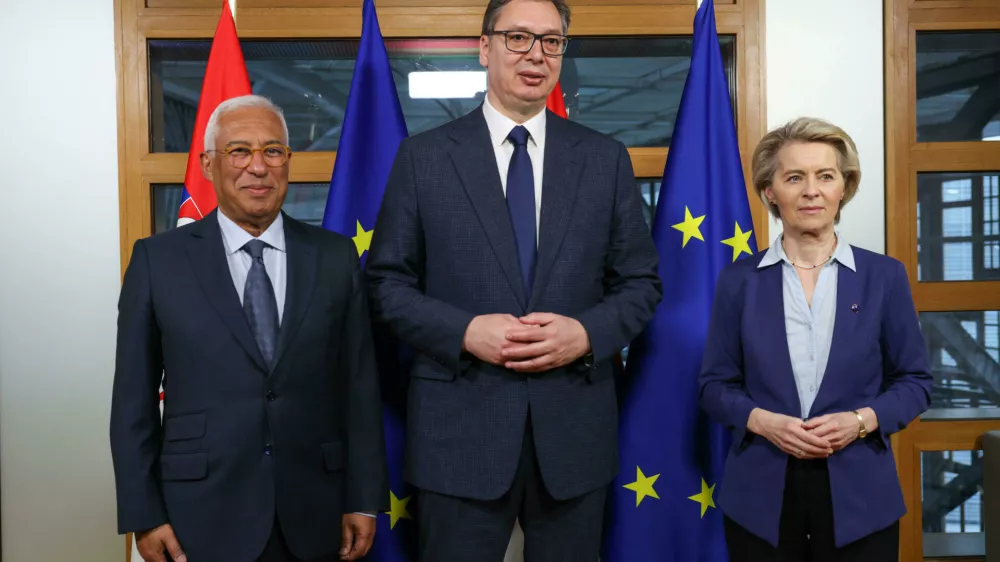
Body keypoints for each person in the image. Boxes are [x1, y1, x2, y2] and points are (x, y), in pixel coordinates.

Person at [364, 0, 662, 559]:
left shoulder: (604, 160)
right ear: (484, 48)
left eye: (551, 42)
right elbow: (385, 285)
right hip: (459, 433)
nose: (536, 55)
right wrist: (464, 331)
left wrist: (587, 335)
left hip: (573, 434)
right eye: (518, 38)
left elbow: (641, 283)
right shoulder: (423, 159)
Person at [110, 95, 387, 562]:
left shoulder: (335, 258)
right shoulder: (158, 261)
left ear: (287, 162)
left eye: (272, 151)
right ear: (208, 163)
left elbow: (358, 386)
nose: (257, 167)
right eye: (239, 151)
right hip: (197, 513)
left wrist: (364, 498)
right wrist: (144, 513)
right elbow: (132, 402)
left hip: (315, 510)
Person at [698, 117, 933, 561]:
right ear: (770, 191)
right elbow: (713, 388)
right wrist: (765, 422)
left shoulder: (884, 277)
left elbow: (915, 383)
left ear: (843, 188)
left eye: (826, 176)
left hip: (862, 498)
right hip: (760, 498)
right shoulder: (738, 281)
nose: (811, 190)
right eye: (794, 177)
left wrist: (860, 421)